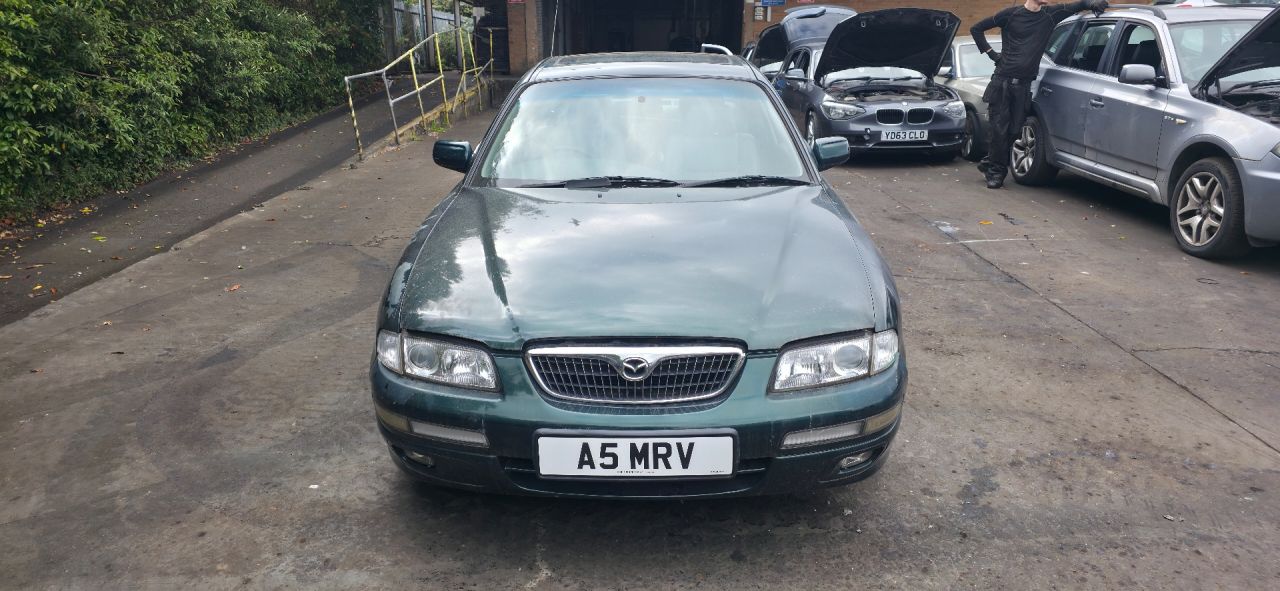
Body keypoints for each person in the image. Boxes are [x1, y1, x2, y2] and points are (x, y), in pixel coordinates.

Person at [971, 0, 1109, 189]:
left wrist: (1092, 3)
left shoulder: (1050, 15)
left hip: (1024, 85)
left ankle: (989, 161)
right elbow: (976, 29)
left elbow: (1077, 6)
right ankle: (996, 172)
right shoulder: (1009, 15)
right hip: (1002, 82)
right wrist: (992, 55)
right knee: (998, 129)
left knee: (1015, 131)